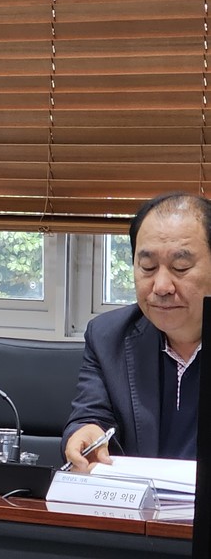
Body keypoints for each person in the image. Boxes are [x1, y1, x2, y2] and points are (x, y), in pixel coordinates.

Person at [62, 192, 211, 471]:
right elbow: (91, 416)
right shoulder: (108, 337)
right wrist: (86, 432)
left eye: (181, 267)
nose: (161, 286)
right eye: (148, 267)